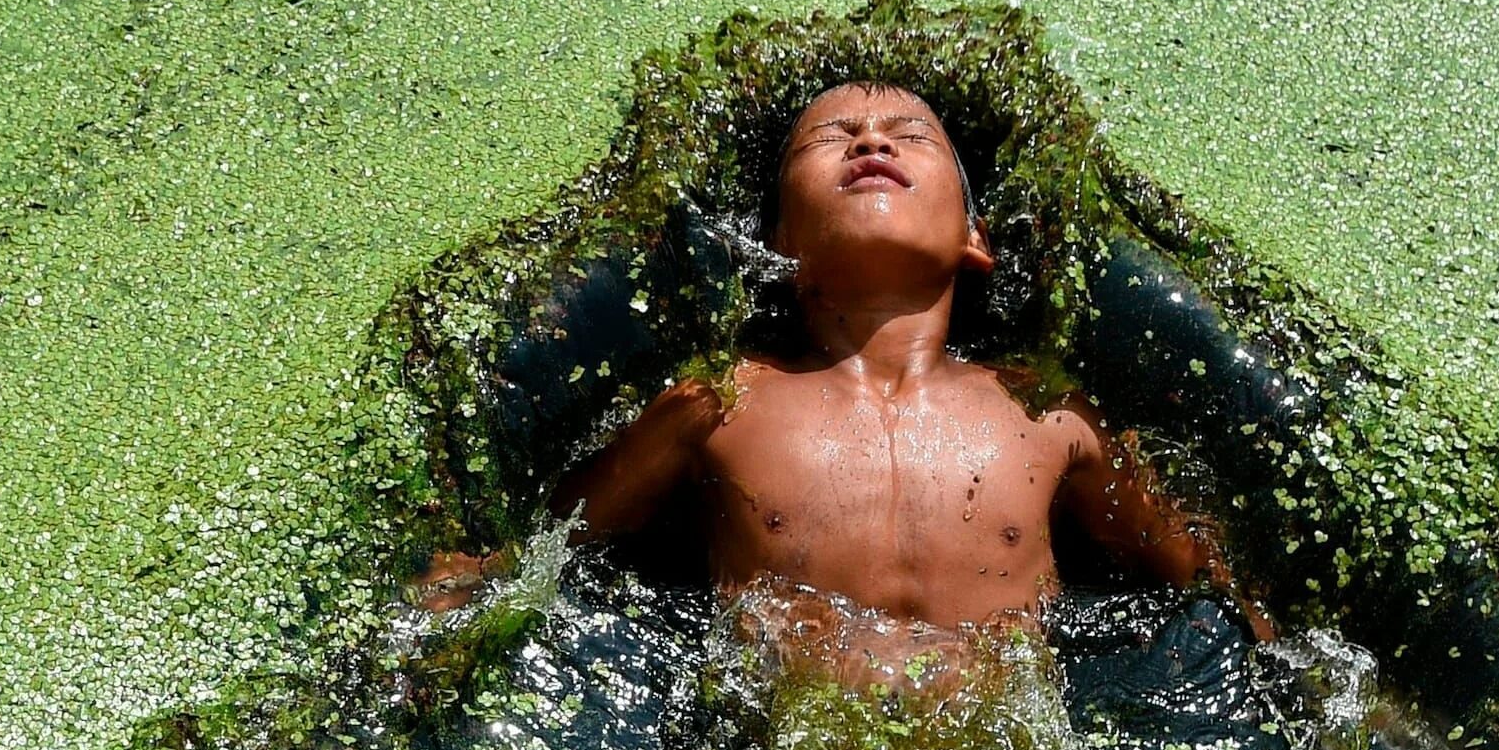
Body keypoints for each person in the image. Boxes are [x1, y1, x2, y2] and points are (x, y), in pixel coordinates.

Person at [415, 81, 1275, 671]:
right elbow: (545, 558)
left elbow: (1202, 576)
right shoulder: (718, 403)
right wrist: (460, 586)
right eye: (830, 139)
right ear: (779, 240)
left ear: (976, 239)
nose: (869, 140)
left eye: (911, 139)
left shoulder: (1047, 414)